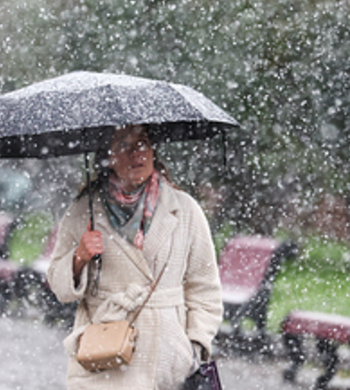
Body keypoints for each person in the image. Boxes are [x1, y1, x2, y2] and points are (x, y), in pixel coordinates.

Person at [47, 125, 223, 389]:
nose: (136, 153)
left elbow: (205, 289)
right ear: (107, 157)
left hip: (167, 359)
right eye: (123, 145)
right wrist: (78, 258)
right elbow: (59, 287)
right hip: (104, 353)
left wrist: (193, 346)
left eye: (143, 143)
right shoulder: (84, 210)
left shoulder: (184, 209)